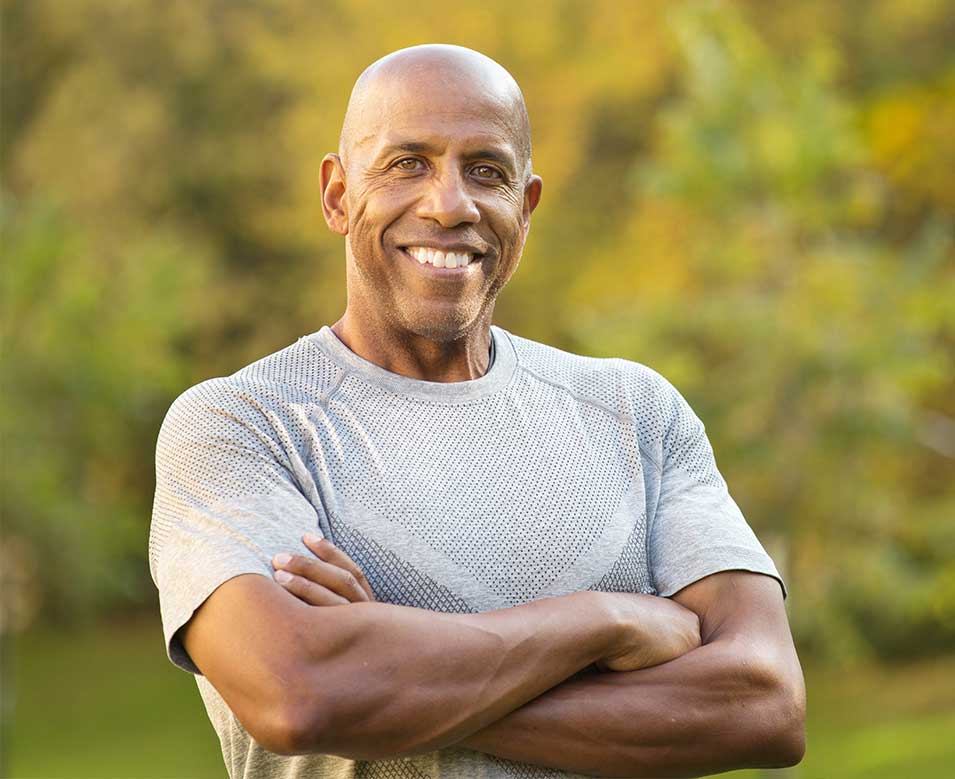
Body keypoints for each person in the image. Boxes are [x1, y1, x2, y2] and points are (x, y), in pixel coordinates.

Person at [148, 44, 805, 778]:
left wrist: (390, 668)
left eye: (486, 171)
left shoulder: (637, 413)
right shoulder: (243, 426)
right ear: (336, 195)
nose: (449, 204)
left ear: (524, 207)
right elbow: (298, 697)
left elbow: (765, 706)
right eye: (406, 164)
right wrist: (603, 621)